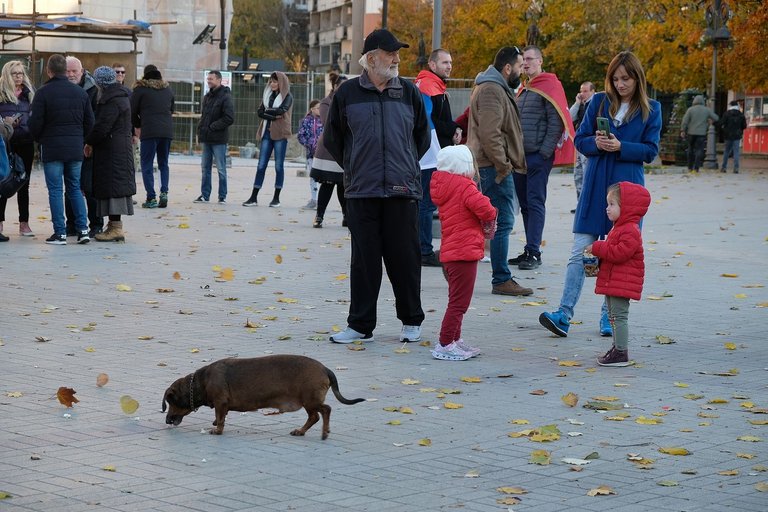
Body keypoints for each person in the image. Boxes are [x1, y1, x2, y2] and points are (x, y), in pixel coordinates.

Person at [539, 50, 662, 339]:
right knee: (580, 250)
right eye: (615, 79)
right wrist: (596, 142)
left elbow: (651, 151)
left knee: (619, 255)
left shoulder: (651, 109)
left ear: (637, 79)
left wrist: (622, 146)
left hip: (627, 191)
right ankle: (563, 314)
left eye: (626, 79)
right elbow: (579, 139)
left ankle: (609, 317)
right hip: (595, 187)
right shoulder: (598, 102)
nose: (620, 85)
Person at [324, 28, 430, 343]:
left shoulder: (409, 92)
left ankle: (411, 321)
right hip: (361, 192)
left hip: (401, 190)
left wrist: (405, 164)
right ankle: (359, 326)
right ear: (371, 59)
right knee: (364, 261)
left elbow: (421, 137)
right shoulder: (347, 93)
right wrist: (356, 166)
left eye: (397, 52)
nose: (397, 58)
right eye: (390, 53)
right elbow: (333, 139)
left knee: (405, 259)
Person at [466, 46, 532, 297]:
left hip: (490, 164)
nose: (521, 71)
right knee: (502, 222)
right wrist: (503, 166)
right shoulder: (493, 89)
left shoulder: (494, 87)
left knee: (485, 222)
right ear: (507, 68)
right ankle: (501, 279)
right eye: (518, 66)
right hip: (493, 166)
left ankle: (456, 263)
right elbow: (490, 134)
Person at [429, 145, 496, 361]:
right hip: (463, 253)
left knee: (456, 299)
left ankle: (454, 339)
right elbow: (486, 209)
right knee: (459, 303)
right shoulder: (465, 187)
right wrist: (491, 213)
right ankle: (445, 342)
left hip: (451, 252)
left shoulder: (445, 186)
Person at [511, 45, 575, 271]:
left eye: (529, 59)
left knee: (535, 202)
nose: (525, 63)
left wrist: (543, 153)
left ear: (540, 61)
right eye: (523, 60)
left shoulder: (550, 86)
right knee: (526, 204)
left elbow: (556, 121)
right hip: (520, 157)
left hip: (537, 157)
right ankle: (529, 248)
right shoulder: (525, 89)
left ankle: (534, 252)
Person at [28, 53, 94, 245]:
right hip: (75, 149)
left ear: (49, 71)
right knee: (74, 188)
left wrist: (40, 139)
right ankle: (83, 230)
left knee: (56, 190)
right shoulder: (81, 93)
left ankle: (60, 233)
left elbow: (34, 123)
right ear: (65, 70)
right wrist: (82, 140)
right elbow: (90, 122)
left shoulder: (43, 93)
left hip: (52, 149)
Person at [587, 182, 650, 366]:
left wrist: (598, 247)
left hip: (623, 282)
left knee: (619, 316)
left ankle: (621, 352)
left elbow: (620, 252)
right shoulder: (619, 227)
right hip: (614, 280)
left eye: (612, 204)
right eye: (608, 204)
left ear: (627, 207)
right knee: (613, 316)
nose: (607, 209)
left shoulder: (630, 230)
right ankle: (617, 347)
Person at [414, 48, 462, 267]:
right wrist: (453, 128)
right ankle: (424, 250)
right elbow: (429, 123)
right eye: (444, 62)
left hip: (434, 154)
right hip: (429, 156)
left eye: (450, 62)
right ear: (432, 65)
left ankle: (422, 248)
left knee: (426, 204)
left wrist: (454, 128)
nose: (449, 66)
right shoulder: (427, 86)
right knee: (426, 205)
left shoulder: (434, 86)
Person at [84, 66, 135, 242]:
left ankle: (115, 228)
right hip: (119, 148)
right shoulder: (120, 95)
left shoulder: (111, 100)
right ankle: (113, 227)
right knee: (115, 186)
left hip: (112, 150)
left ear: (100, 83)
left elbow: (102, 127)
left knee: (113, 187)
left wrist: (89, 141)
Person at [243, 71, 293, 207]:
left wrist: (268, 113)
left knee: (278, 166)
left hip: (280, 134)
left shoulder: (287, 96)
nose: (272, 84)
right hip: (266, 132)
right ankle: (253, 197)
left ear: (281, 83)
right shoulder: (267, 95)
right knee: (261, 165)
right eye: (271, 81)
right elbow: (260, 112)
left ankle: (276, 198)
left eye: (275, 82)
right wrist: (272, 116)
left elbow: (281, 111)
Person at [65, 56, 100, 236]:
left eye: (74, 71)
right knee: (70, 186)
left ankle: (96, 224)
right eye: (67, 71)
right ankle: (71, 225)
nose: (71, 75)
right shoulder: (59, 89)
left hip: (88, 144)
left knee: (90, 186)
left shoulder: (93, 90)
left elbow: (95, 119)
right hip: (69, 145)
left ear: (82, 71)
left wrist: (90, 142)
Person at [131, 64, 175, 208]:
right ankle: (164, 193)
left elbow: (132, 111)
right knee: (164, 163)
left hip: (149, 131)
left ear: (145, 75)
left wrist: (138, 125)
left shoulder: (140, 89)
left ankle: (151, 198)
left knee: (147, 164)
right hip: (167, 131)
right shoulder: (168, 89)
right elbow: (172, 109)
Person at [0, 61, 35, 241]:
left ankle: (24, 222)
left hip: (26, 142)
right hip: (5, 143)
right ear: (7, 75)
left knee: (24, 183)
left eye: (21, 73)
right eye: (14, 73)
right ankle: (0, 222)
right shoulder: (0, 94)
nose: (18, 76)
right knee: (3, 181)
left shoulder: (29, 95)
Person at [309, 73, 347, 228]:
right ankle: (319, 216)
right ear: (335, 86)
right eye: (341, 86)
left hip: (344, 148)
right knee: (328, 183)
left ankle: (347, 216)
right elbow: (328, 122)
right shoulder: (326, 102)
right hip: (328, 149)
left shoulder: (349, 100)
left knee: (343, 185)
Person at [194, 70, 234, 203]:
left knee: (221, 169)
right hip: (207, 139)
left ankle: (222, 196)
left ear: (219, 80)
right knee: (205, 168)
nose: (209, 81)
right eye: (208, 78)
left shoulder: (225, 97)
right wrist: (200, 132)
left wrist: (213, 127)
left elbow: (229, 118)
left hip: (219, 140)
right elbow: (204, 117)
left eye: (211, 79)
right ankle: (205, 195)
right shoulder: (207, 97)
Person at [568, 81, 596, 212]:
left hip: (588, 144)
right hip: (578, 145)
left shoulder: (595, 104)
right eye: (581, 91)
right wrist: (577, 103)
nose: (582, 94)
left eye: (585, 91)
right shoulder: (581, 105)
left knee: (586, 175)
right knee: (578, 175)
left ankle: (586, 205)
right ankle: (580, 203)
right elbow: (569, 118)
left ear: (592, 92)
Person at [680, 95, 718, 173]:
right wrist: (709, 122)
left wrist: (683, 130)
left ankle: (690, 167)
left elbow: (685, 121)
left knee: (690, 149)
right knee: (699, 150)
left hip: (691, 132)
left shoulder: (690, 110)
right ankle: (696, 167)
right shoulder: (707, 110)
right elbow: (716, 118)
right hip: (701, 133)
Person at [297, 99, 323, 209]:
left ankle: (321, 200)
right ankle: (313, 199)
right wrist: (309, 144)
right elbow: (300, 135)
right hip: (311, 154)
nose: (320, 110)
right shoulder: (305, 121)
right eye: (318, 108)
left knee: (323, 179)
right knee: (313, 177)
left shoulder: (325, 120)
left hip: (323, 154)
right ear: (312, 109)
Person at [718, 100, 747, 174]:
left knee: (727, 151)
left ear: (730, 106)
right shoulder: (740, 114)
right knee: (736, 151)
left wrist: (723, 129)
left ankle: (724, 167)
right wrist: (740, 129)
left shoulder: (726, 114)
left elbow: (721, 122)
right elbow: (744, 126)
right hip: (737, 135)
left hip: (728, 135)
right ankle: (736, 168)